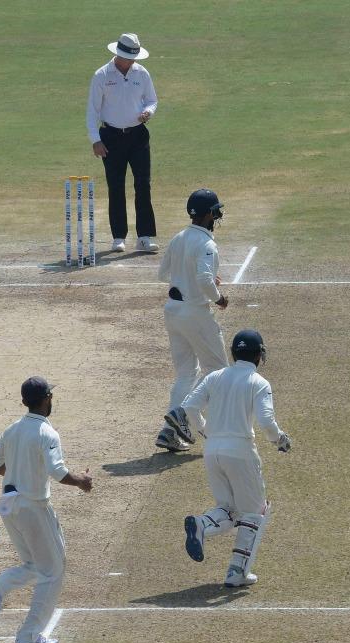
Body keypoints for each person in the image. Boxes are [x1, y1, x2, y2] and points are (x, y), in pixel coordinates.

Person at [0, 377, 93, 643]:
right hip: (33, 509)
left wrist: (17, 472)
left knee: (37, 567)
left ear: (25, 401)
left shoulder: (13, 430)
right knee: (53, 572)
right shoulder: (47, 433)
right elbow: (57, 472)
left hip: (11, 507)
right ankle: (28, 636)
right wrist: (81, 482)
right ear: (47, 399)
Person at [171, 330, 291, 588]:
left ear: (234, 353)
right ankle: (237, 572)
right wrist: (279, 440)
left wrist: (206, 432)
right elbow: (266, 421)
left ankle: (202, 524)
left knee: (229, 510)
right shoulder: (259, 383)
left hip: (213, 451)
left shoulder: (215, 377)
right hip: (240, 452)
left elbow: (190, 406)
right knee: (255, 512)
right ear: (259, 354)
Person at [155, 189, 230, 453]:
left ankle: (169, 432)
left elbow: (164, 273)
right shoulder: (207, 244)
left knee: (187, 373)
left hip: (173, 311)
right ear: (208, 214)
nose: (217, 216)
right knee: (220, 372)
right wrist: (219, 299)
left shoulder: (178, 238)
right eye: (215, 212)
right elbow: (204, 280)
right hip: (195, 314)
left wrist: (188, 278)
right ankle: (182, 414)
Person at [86, 32, 159, 254]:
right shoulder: (101, 75)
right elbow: (92, 111)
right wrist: (95, 140)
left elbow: (152, 100)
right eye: (129, 56)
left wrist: (148, 112)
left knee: (143, 185)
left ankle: (144, 237)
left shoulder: (142, 73)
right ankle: (119, 237)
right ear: (119, 54)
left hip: (138, 136)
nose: (133, 61)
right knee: (116, 187)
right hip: (111, 137)